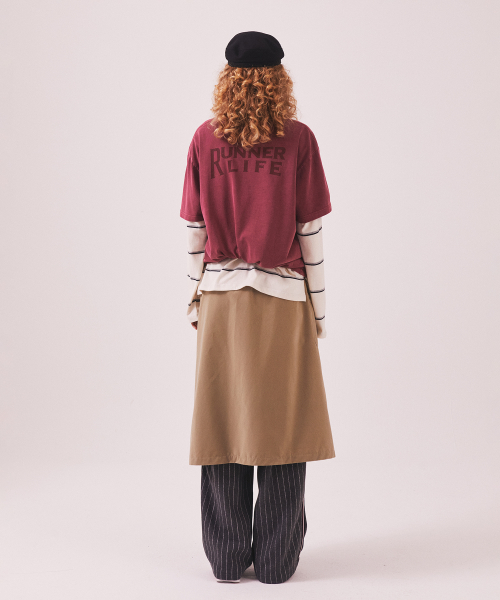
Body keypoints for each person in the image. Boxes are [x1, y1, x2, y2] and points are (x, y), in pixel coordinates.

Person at [180, 31, 335, 585]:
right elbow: (309, 230)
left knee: (222, 425)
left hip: (221, 300)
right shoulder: (299, 139)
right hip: (283, 297)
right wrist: (319, 310)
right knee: (284, 425)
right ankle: (275, 562)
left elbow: (195, 228)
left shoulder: (205, 138)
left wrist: (193, 295)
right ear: (279, 79)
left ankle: (225, 558)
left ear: (227, 78)